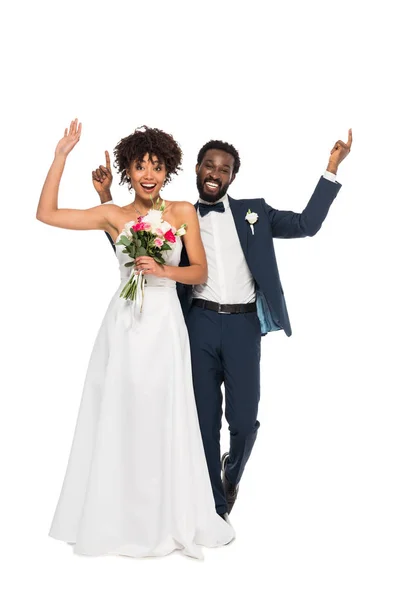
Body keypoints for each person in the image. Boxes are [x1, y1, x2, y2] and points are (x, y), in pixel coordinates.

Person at [98, 129, 352, 518]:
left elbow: (306, 224)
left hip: (243, 326)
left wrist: (331, 169)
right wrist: (104, 200)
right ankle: (215, 507)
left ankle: (230, 474)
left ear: (233, 176)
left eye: (225, 169)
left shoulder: (255, 212)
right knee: (202, 421)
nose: (216, 173)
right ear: (197, 170)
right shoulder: (175, 214)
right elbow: (131, 248)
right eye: (209, 166)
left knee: (245, 421)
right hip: (196, 324)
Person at [37, 119, 235, 560]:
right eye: (141, 165)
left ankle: (166, 515)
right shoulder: (114, 215)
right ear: (128, 169)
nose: (149, 173)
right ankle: (118, 516)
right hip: (125, 323)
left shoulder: (182, 212)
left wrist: (164, 270)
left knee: (162, 411)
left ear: (168, 170)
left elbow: (199, 271)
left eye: (158, 165)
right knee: (122, 410)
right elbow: (46, 214)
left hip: (165, 324)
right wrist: (60, 157)